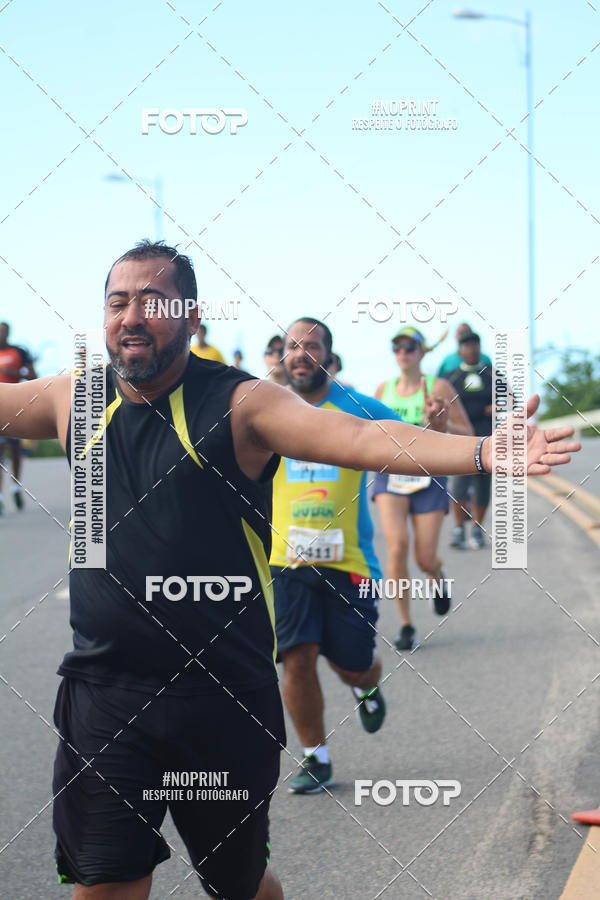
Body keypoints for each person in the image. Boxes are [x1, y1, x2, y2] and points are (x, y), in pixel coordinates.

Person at [0, 241, 579, 899]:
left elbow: (363, 440)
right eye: (117, 302)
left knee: (238, 885)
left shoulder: (242, 404)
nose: (131, 316)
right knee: (104, 884)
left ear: (192, 318)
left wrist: (480, 448)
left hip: (218, 699)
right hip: (103, 693)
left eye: (153, 301)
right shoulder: (71, 400)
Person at [270, 318, 398, 794]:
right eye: (292, 346)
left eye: (312, 346)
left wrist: (443, 426)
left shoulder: (357, 406)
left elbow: (414, 440)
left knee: (351, 663)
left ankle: (366, 683)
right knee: (296, 659)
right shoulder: (266, 410)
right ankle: (316, 757)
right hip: (286, 562)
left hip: (350, 564)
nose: (301, 354)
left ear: (329, 355)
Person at [373, 327, 473, 651]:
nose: (403, 351)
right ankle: (406, 625)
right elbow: (367, 434)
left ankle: (438, 576)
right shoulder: (382, 390)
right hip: (392, 475)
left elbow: (466, 431)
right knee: (397, 547)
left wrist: (439, 423)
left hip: (430, 476)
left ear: (422, 351)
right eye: (397, 346)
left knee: (425, 558)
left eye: (410, 346)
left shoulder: (440, 386)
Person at [446, 329, 496, 549]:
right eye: (466, 345)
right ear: (460, 350)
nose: (471, 349)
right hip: (459, 440)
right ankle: (458, 529)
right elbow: (440, 402)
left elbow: (511, 399)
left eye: (475, 345)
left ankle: (477, 528)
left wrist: (498, 406)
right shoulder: (451, 378)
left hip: (486, 438)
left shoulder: (491, 374)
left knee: (483, 487)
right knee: (458, 484)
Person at [0, 321, 37, 514]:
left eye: (4, 332)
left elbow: (33, 376)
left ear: (8, 333)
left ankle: (15, 487)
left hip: (14, 406)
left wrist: (15, 373)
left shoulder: (19, 352)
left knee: (14, 450)